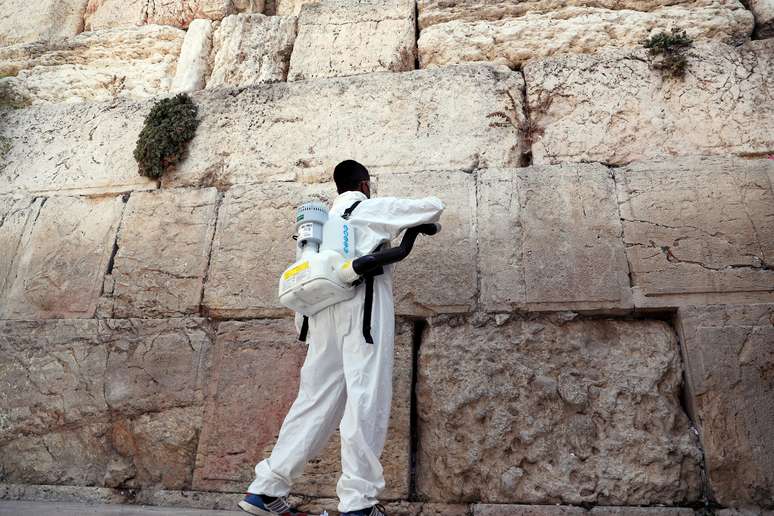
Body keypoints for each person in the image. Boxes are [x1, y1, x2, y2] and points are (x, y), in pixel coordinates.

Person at [238, 160, 444, 516]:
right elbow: (432, 206)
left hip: (321, 317)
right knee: (366, 398)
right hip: (362, 310)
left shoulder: (318, 230)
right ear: (363, 184)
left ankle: (266, 490)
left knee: (313, 402)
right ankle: (358, 503)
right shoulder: (365, 208)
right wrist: (421, 221)